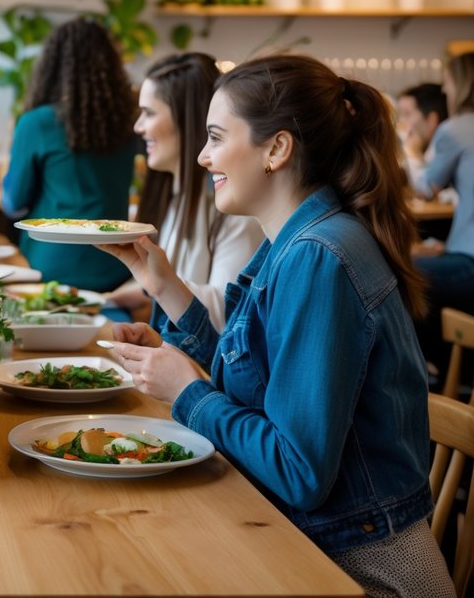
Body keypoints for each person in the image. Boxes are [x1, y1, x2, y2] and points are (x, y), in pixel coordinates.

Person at [99, 54, 450, 597]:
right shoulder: (294, 241)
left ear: (277, 149)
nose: (202, 155)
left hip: (360, 572)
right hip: (308, 545)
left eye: (216, 137)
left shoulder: (319, 257)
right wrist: (163, 285)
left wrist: (187, 391)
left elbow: (298, 472)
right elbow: (261, 386)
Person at [105, 53, 263, 330]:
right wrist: (107, 299)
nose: (137, 126)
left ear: (185, 120)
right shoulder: (177, 199)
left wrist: (157, 283)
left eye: (149, 113)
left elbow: (230, 312)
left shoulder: (233, 209)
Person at [1, 17, 140, 291]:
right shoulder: (129, 124)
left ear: (52, 67)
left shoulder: (37, 122)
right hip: (116, 267)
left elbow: (12, 203)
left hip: (51, 268)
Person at [412, 55, 474, 364]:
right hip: (463, 252)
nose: (446, 92)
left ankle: (432, 368)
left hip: (470, 263)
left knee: (403, 271)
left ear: (461, 86)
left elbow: (425, 188)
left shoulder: (456, 129)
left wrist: (410, 153)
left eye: (448, 84)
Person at [397, 82, 448, 188]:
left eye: (407, 114)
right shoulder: (428, 150)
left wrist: (412, 153)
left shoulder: (446, 149)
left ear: (431, 121)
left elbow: (425, 190)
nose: (400, 122)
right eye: (399, 115)